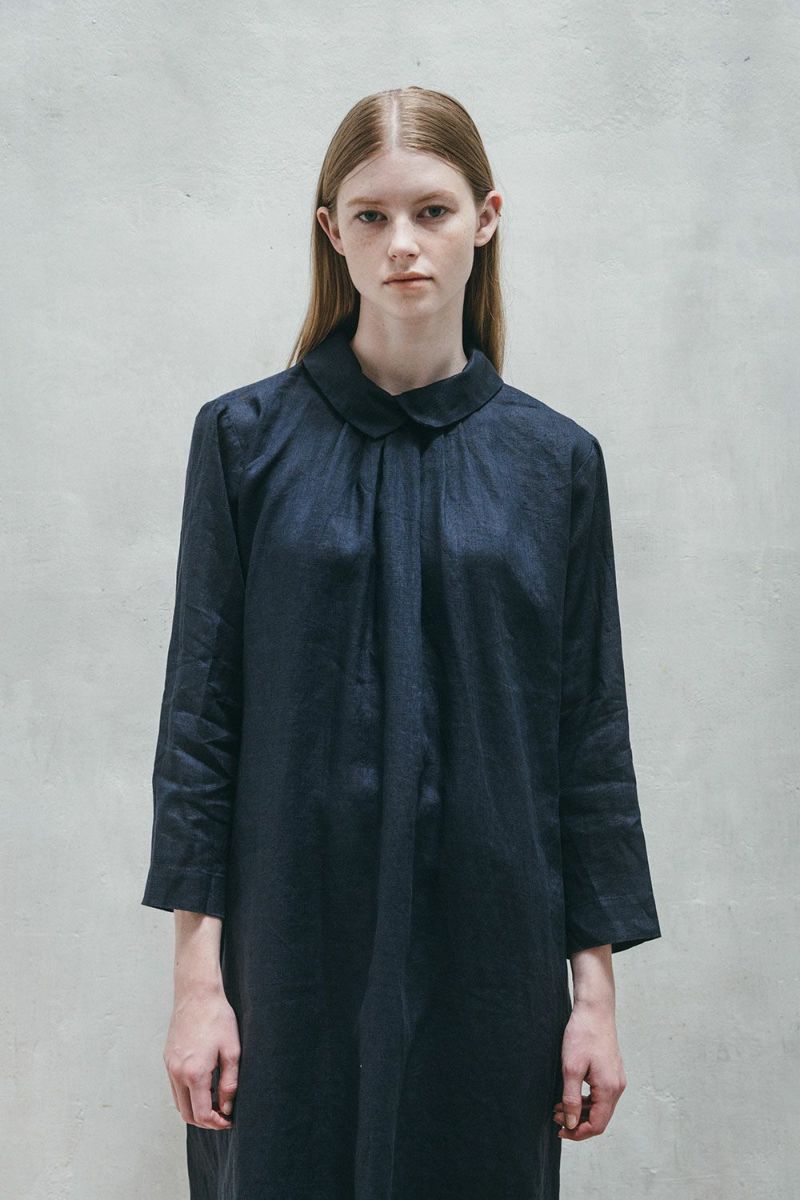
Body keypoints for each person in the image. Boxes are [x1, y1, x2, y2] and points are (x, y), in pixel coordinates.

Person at [141, 85, 661, 1200]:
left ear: (486, 218)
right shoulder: (243, 444)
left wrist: (594, 999)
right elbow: (201, 724)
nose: (402, 244)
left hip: (491, 960)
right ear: (331, 232)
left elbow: (586, 740)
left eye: (431, 210)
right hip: (288, 953)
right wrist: (197, 983)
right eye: (370, 216)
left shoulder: (554, 465)